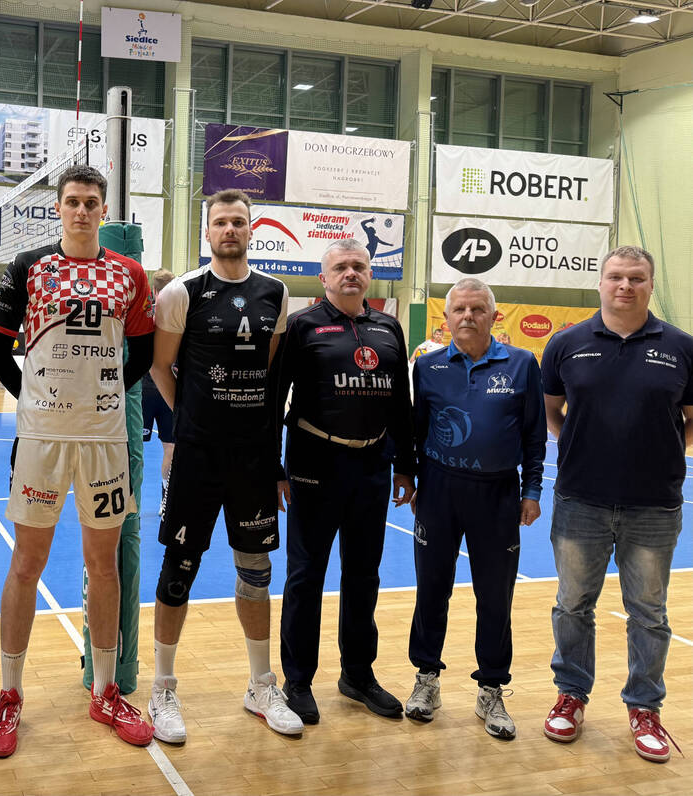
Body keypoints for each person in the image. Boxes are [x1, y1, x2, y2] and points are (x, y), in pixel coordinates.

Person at [0, 164, 155, 758]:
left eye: (91, 202)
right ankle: (9, 695)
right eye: (73, 201)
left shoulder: (128, 273)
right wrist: (29, 396)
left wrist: (108, 397)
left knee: (103, 565)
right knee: (26, 563)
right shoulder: (29, 266)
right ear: (58, 208)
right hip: (42, 437)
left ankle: (105, 692)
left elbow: (143, 351)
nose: (82, 210)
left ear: (104, 210)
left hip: (104, 439)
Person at [146, 189, 302, 744]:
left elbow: (268, 368)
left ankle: (261, 685)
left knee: (256, 570)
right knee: (178, 568)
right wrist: (190, 418)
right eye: (220, 222)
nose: (230, 229)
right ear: (207, 231)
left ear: (251, 229)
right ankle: (163, 687)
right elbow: (161, 366)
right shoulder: (182, 292)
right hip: (197, 455)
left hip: (251, 457)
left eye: (239, 221)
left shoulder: (276, 293)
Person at [540, 245, 691, 763]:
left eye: (636, 278)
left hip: (654, 505)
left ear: (651, 284)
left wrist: (664, 451)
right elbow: (551, 409)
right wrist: (575, 444)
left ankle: (645, 707)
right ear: (600, 282)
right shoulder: (566, 344)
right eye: (616, 277)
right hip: (580, 500)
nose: (625, 286)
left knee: (648, 613)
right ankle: (571, 696)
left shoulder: (681, 347)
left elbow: (692, 418)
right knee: (572, 605)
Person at [274, 237, 415, 724]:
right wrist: (274, 467)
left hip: (372, 467)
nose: (350, 273)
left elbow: (400, 404)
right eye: (341, 267)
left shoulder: (389, 327)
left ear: (370, 274)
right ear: (324, 277)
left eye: (358, 266)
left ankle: (357, 674)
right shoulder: (303, 325)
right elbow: (275, 396)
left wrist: (406, 464)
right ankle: (297, 680)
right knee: (305, 575)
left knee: (363, 575)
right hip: (314, 464)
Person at [404, 277, 546, 740]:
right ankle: (427, 678)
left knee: (495, 596)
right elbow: (416, 431)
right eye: (459, 310)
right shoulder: (428, 367)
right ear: (446, 319)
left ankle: (491, 688)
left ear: (493, 315)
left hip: (498, 495)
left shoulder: (522, 364)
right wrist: (414, 481)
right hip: (439, 492)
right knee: (432, 590)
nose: (468, 316)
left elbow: (534, 434)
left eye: (477, 309)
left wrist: (531, 490)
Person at [141, 268, 176, 516]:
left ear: (153, 290)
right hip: (169, 388)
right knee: (171, 448)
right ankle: (167, 500)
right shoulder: (182, 315)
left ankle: (128, 502)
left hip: (143, 390)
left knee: (132, 449)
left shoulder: (143, 314)